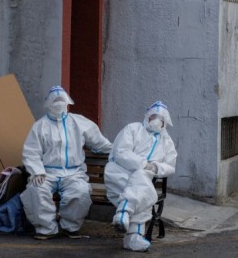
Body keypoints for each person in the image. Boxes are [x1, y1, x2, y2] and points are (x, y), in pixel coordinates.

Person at [20, 86, 112, 240]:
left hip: (74, 173)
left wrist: (120, 151)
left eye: (61, 100)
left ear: (68, 103)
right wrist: (37, 171)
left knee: (81, 192)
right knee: (36, 190)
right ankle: (46, 229)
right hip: (47, 173)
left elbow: (100, 143)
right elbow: (31, 151)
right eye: (55, 101)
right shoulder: (40, 126)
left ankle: (70, 227)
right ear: (48, 103)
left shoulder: (80, 123)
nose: (58, 103)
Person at [104, 101, 177, 252]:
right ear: (147, 117)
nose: (157, 120)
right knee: (144, 190)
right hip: (120, 173)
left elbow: (170, 165)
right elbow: (121, 153)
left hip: (143, 179)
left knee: (144, 190)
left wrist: (156, 167)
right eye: (154, 116)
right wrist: (143, 164)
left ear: (165, 122)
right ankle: (133, 236)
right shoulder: (132, 129)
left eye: (161, 118)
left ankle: (124, 214)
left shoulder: (167, 141)